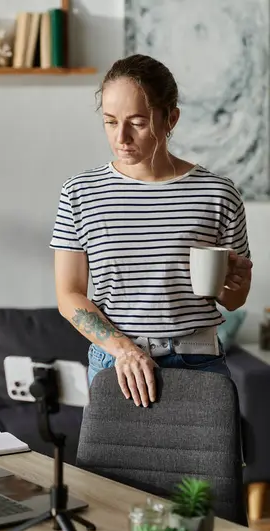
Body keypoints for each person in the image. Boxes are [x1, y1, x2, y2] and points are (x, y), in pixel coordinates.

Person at [49, 53, 252, 409]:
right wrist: (124, 351)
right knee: (108, 469)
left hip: (199, 364)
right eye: (110, 122)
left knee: (201, 468)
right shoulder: (80, 193)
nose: (122, 137)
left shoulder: (218, 193)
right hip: (116, 365)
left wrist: (236, 285)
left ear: (171, 118)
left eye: (137, 122)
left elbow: (233, 300)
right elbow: (69, 296)